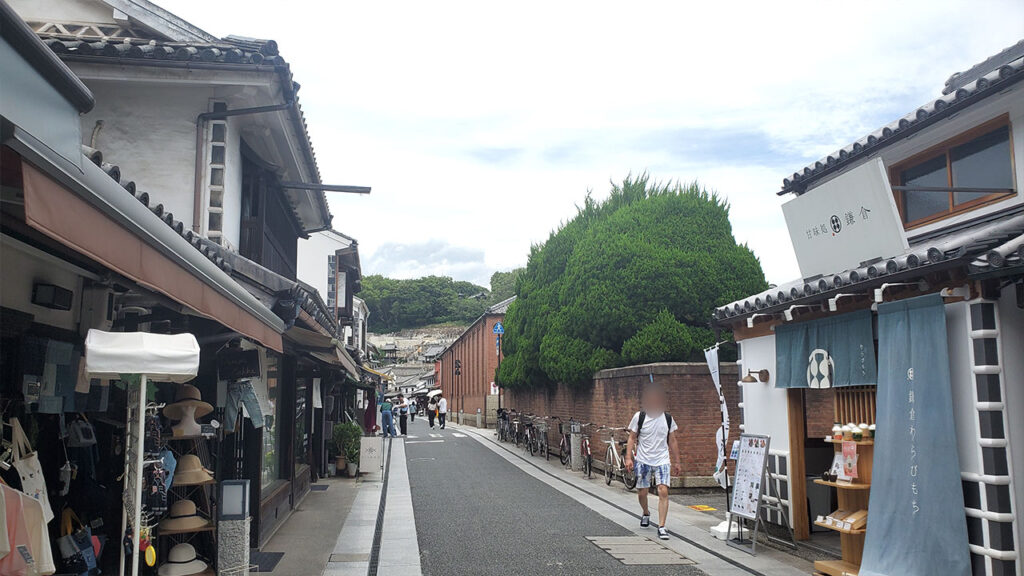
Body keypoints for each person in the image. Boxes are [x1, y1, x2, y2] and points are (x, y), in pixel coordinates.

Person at [625, 381, 681, 540]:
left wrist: (677, 462)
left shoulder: (668, 419)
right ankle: (646, 512)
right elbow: (632, 437)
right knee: (642, 492)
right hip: (643, 460)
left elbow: (673, 441)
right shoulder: (639, 416)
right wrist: (629, 457)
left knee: (663, 490)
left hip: (662, 460)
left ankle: (662, 526)